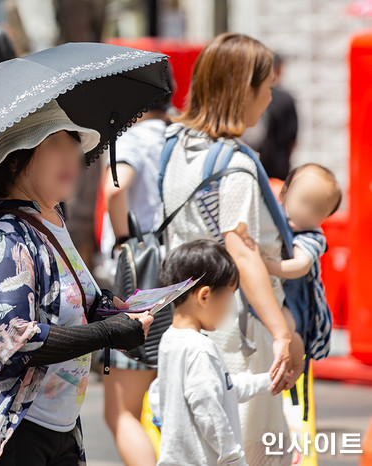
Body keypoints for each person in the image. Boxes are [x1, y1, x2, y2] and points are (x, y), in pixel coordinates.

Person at [0, 99, 155, 465]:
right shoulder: (2, 236)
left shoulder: (52, 218)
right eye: (54, 145)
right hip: (12, 433)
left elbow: (69, 300)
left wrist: (106, 310)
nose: (71, 158)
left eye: (73, 146)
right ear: (16, 159)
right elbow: (15, 339)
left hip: (60, 427)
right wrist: (109, 333)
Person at [160, 33, 297, 464]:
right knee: (244, 449)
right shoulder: (234, 164)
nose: (271, 94)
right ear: (244, 90)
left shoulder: (174, 146)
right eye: (266, 85)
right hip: (236, 332)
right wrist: (281, 332)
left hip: (186, 322)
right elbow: (242, 252)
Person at [148, 240, 275, 466]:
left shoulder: (170, 340)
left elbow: (220, 389)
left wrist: (269, 381)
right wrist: (232, 457)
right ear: (205, 296)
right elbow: (207, 406)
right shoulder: (200, 349)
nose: (230, 305)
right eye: (230, 295)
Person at [99, 77, 172, 466]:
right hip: (185, 278)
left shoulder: (135, 138)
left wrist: (124, 239)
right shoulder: (180, 136)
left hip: (142, 285)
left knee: (122, 411)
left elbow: (116, 189)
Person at [264, 164, 341, 359]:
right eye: (303, 201)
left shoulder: (312, 236)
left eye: (317, 210)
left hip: (297, 301)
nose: (306, 212)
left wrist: (266, 266)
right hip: (277, 294)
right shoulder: (272, 221)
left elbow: (300, 265)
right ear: (284, 194)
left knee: (287, 325)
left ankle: (295, 348)